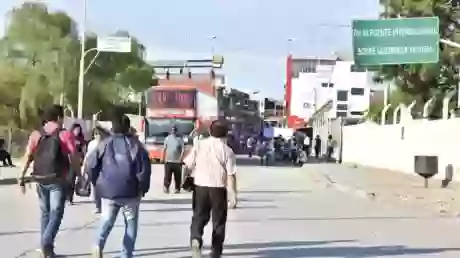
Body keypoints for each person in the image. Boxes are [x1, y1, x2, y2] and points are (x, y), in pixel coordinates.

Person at [85, 114, 151, 258]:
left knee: (107, 220)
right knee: (131, 224)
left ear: (113, 128)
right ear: (128, 127)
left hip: (108, 191)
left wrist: (96, 182)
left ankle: (98, 244)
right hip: (131, 192)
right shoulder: (137, 146)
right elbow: (144, 170)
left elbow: (91, 166)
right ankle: (126, 254)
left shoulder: (103, 144)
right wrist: (143, 189)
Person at [19, 104, 80, 258]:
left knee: (45, 213)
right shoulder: (65, 134)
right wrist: (78, 173)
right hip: (57, 178)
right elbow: (73, 157)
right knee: (56, 213)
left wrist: (21, 175)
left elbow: (27, 156)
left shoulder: (36, 134)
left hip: (39, 178)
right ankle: (46, 242)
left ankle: (47, 251)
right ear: (59, 118)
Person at [184, 120, 237, 258]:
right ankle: (215, 252)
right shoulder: (228, 151)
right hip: (218, 189)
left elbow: (187, 164)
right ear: (225, 134)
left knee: (198, 217)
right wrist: (233, 196)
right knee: (218, 222)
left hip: (200, 187)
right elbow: (231, 175)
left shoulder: (199, 145)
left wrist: (185, 179)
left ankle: (195, 239)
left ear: (210, 131)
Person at [83, 126, 111, 214]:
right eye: (95, 134)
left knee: (104, 188)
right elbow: (87, 156)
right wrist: (84, 168)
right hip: (93, 168)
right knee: (95, 188)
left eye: (98, 133)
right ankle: (98, 206)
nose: (97, 135)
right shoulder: (91, 144)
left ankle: (105, 206)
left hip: (104, 169)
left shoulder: (107, 143)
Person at [67, 123, 86, 205]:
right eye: (76, 129)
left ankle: (70, 198)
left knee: (72, 180)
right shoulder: (69, 137)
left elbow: (83, 150)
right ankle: (66, 197)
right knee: (68, 180)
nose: (77, 131)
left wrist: (83, 158)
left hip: (77, 162)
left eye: (79, 130)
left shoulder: (81, 139)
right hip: (68, 161)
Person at [161, 126, 184, 194]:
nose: (173, 132)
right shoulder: (167, 139)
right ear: (171, 131)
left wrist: (181, 158)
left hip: (177, 162)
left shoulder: (180, 139)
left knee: (178, 176)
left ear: (176, 131)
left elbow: (183, 150)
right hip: (168, 161)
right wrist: (162, 158)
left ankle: (177, 188)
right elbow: (164, 149)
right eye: (172, 131)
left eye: (174, 131)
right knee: (167, 176)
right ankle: (166, 187)